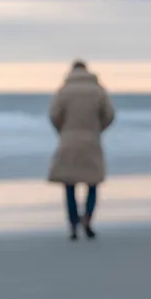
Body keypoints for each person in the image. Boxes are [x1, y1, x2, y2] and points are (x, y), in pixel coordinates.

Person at [48, 60, 116, 240]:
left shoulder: (64, 90)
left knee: (69, 183)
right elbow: (109, 115)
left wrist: (64, 130)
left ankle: (73, 224)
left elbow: (54, 115)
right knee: (92, 182)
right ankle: (87, 219)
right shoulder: (98, 90)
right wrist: (97, 129)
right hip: (91, 140)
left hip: (68, 140)